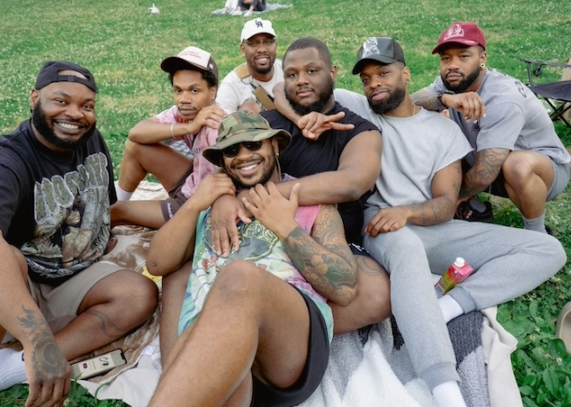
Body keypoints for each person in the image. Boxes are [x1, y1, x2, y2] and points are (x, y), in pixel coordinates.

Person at [332, 36, 566, 407]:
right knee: (406, 246)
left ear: (406, 75)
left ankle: (445, 309)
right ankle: (447, 392)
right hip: (382, 229)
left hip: (432, 227)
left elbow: (444, 205)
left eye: (384, 73)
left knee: (548, 249)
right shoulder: (358, 108)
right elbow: (288, 85)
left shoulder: (442, 131)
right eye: (366, 78)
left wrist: (407, 212)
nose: (374, 83)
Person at [146, 111, 358, 407]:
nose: (243, 155)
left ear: (275, 146)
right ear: (221, 162)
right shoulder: (208, 207)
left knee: (239, 276)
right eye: (232, 150)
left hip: (287, 346)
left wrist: (286, 227)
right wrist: (196, 203)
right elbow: (156, 264)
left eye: (254, 144)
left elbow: (345, 288)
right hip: (214, 345)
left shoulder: (307, 201)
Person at [0, 61, 158, 406]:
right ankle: (37, 349)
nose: (75, 114)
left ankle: (15, 366)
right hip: (18, 281)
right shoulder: (10, 159)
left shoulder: (91, 140)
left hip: (70, 275)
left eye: (86, 106)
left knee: (139, 295)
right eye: (61, 101)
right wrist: (38, 337)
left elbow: (104, 206)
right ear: (34, 98)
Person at [210, 38, 390, 333]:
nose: (301, 80)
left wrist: (255, 198)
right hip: (260, 238)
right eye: (292, 74)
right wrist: (222, 198)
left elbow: (351, 184)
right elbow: (224, 165)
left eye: (312, 71)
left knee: (375, 296)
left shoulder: (358, 131)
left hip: (330, 242)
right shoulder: (266, 125)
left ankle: (281, 338)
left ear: (332, 73)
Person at [411, 21, 571, 234]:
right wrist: (445, 100)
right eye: (446, 58)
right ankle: (476, 207)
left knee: (516, 164)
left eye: (463, 56)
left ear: (482, 59)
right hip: (488, 163)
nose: (452, 65)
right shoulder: (453, 82)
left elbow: (483, 175)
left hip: (544, 171)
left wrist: (447, 200)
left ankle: (538, 234)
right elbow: (411, 102)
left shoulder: (504, 99)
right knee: (430, 127)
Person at [111, 46, 228, 229]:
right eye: (178, 90)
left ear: (213, 92)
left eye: (194, 91)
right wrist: (188, 127)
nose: (184, 99)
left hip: (199, 207)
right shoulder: (188, 112)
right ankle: (116, 199)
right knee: (136, 147)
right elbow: (136, 132)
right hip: (193, 181)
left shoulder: (219, 127)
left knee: (115, 212)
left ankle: (114, 210)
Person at [215, 18, 283, 113]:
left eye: (268, 42)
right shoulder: (231, 86)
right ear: (243, 50)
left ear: (276, 46)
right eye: (253, 43)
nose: (262, 49)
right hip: (253, 128)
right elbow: (222, 125)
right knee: (249, 108)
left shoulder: (289, 71)